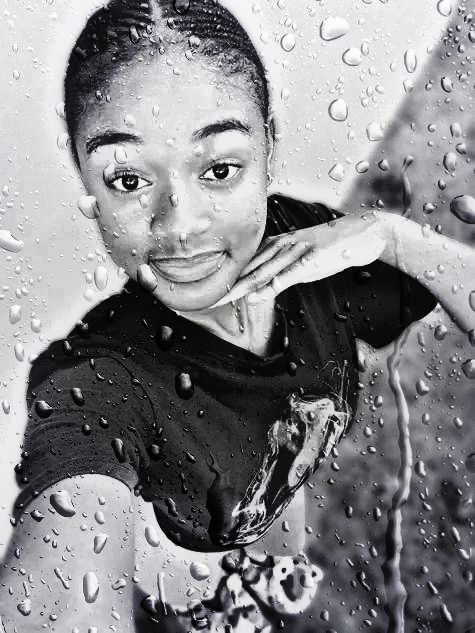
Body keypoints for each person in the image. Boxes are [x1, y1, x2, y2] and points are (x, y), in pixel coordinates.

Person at [1, 0, 474, 631]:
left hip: (271, 509)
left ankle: (269, 575)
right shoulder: (97, 381)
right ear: (86, 177)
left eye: (220, 170)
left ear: (268, 145)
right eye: (128, 180)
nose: (180, 226)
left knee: (278, 501)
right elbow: (64, 571)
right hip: (187, 571)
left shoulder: (313, 248)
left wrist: (393, 238)